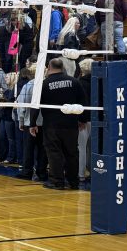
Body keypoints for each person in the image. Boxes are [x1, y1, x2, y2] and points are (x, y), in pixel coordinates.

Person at [31, 58, 89, 190]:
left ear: (49, 67)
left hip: (52, 125)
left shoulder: (44, 84)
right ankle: (73, 182)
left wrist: (32, 123)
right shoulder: (75, 82)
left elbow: (35, 105)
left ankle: (57, 181)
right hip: (71, 124)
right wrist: (83, 119)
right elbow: (83, 102)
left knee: (54, 153)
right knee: (72, 153)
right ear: (62, 67)